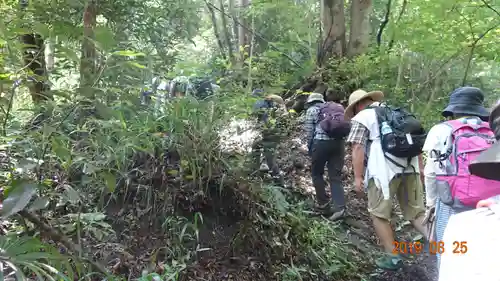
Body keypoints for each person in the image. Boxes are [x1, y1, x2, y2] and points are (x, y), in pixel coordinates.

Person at [345, 89, 427, 270]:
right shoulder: (397, 113)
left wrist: (358, 177)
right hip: (410, 168)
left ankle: (393, 257)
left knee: (378, 214)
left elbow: (357, 148)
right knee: (416, 213)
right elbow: (417, 142)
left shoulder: (363, 117)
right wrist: (420, 168)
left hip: (382, 172)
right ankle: (442, 246)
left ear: (358, 105)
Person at [422, 87, 497, 268]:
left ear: (454, 109)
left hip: (452, 203)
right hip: (492, 204)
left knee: (449, 252)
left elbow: (431, 171)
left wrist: (431, 203)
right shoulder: (494, 130)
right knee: (485, 253)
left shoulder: (441, 130)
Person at [304, 92, 347, 219]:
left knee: (317, 173)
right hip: (338, 144)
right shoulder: (335, 108)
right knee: (335, 176)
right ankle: (339, 207)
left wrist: (310, 147)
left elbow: (309, 132)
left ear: (310, 102)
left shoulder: (311, 110)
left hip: (321, 144)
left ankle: (323, 204)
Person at [249, 92, 286, 186]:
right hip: (274, 134)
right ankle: (257, 171)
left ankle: (278, 182)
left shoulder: (263, 105)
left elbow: (259, 118)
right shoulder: (279, 108)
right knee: (257, 146)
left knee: (270, 158)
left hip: (269, 135)